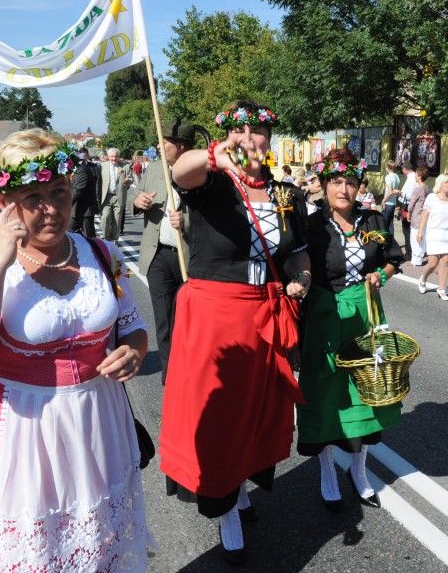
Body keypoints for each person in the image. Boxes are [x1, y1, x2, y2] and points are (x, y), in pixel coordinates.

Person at [0, 129, 151, 571]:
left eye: (59, 192)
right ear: (4, 201)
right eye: (33, 197)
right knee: (33, 554)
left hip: (99, 421)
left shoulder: (100, 253)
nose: (52, 209)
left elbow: (134, 327)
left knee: (100, 545)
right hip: (20, 430)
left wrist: (134, 352)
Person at [161, 100, 310, 564]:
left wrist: (303, 278)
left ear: (269, 138)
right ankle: (224, 507)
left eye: (258, 131)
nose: (248, 139)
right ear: (227, 137)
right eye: (239, 131)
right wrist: (213, 156)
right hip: (215, 316)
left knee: (256, 411)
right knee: (222, 415)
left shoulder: (287, 194)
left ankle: (241, 484)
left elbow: (298, 252)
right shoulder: (212, 182)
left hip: (264, 313)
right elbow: (180, 170)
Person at [298, 149, 403, 511]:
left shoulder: (372, 219)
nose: (343, 190)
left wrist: (380, 276)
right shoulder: (311, 225)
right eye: (336, 182)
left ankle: (359, 471)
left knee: (368, 390)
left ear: (360, 186)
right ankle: (327, 470)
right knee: (325, 395)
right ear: (325, 184)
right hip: (324, 317)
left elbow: (393, 259)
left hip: (365, 315)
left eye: (351, 183)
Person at [132, 119, 196, 385]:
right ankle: (171, 377)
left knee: (190, 319)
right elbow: (137, 193)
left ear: (180, 146)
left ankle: (193, 371)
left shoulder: (199, 172)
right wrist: (138, 200)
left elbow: (213, 216)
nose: (159, 146)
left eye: (164, 141)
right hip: (157, 254)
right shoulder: (155, 168)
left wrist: (187, 221)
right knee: (164, 320)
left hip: (189, 258)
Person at [416, 174, 448, 301]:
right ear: (440, 184)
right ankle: (423, 277)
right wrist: (420, 232)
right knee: (433, 263)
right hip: (434, 233)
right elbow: (425, 215)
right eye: (446, 183)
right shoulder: (432, 198)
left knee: (445, 261)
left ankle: (442, 289)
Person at [99, 147, 132, 240]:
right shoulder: (102, 166)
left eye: (116, 156)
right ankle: (106, 237)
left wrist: (127, 181)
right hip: (106, 197)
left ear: (119, 156)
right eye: (112, 156)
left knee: (117, 220)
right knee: (105, 217)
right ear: (108, 156)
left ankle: (114, 239)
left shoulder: (125, 166)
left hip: (119, 196)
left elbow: (131, 178)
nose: (114, 158)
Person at [70, 150, 99, 237]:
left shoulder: (81, 170)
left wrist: (65, 203)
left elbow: (77, 191)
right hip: (80, 210)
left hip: (84, 210)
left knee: (88, 237)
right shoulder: (80, 168)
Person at [407, 166, 429, 266]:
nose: (415, 176)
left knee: (414, 238)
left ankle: (416, 259)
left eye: (416, 174)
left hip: (416, 216)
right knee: (422, 237)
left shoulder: (417, 189)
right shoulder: (427, 188)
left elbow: (411, 204)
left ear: (420, 176)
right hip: (425, 216)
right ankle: (418, 258)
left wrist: (409, 213)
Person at [398, 161, 416, 259]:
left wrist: (398, 192)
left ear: (405, 169)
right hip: (411, 205)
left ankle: (409, 253)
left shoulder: (411, 178)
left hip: (407, 205)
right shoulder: (414, 177)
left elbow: (407, 195)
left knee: (407, 230)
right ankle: (412, 251)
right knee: (410, 230)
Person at [381, 160, 401, 234]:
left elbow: (390, 191)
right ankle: (391, 240)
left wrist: (383, 201)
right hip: (393, 203)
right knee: (390, 224)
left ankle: (384, 240)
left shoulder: (388, 177)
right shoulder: (397, 177)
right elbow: (397, 190)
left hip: (388, 203)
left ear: (387, 167)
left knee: (383, 224)